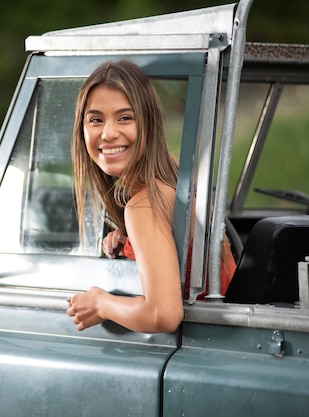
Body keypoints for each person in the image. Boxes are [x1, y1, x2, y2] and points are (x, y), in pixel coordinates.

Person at [67, 60, 233, 333]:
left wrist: (101, 304)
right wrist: (128, 241)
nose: (108, 133)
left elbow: (164, 314)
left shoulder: (144, 204)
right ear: (81, 129)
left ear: (149, 122)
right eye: (96, 119)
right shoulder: (177, 177)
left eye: (125, 118)